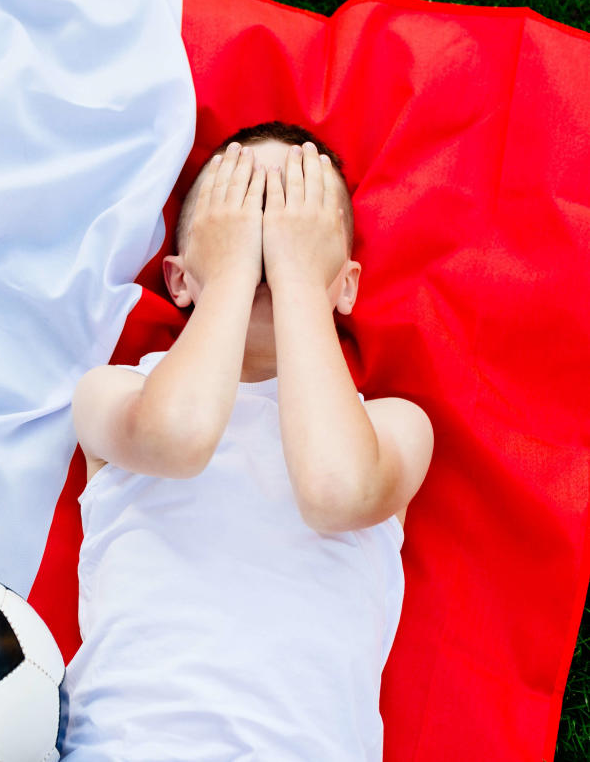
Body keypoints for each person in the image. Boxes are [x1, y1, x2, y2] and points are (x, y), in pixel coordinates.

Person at [60, 122, 435, 760]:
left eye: (294, 209)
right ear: (179, 280)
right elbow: (179, 438)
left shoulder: (393, 425)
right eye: (241, 207)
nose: (266, 231)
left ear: (345, 285)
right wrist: (237, 272)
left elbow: (337, 491)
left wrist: (293, 280)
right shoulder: (115, 392)